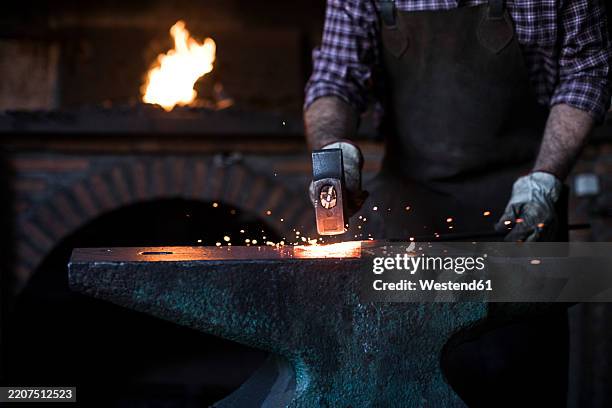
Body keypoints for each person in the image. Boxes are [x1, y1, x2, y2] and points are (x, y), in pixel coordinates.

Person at [304, 0, 611, 406]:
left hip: (523, 231)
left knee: (521, 385)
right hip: (410, 243)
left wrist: (546, 177)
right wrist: (333, 150)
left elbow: (588, 70)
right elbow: (334, 80)